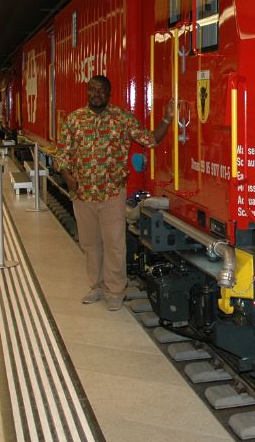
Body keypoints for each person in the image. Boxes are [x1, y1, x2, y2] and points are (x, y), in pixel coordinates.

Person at [58, 75, 173, 311]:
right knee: (90, 244)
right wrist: (68, 177)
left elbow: (150, 140)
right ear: (87, 92)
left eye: (101, 91)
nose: (96, 94)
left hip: (111, 194)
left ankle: (115, 291)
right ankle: (97, 286)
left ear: (109, 94)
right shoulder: (74, 119)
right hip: (83, 195)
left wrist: (168, 118)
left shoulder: (121, 118)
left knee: (114, 244)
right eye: (92, 90)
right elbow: (62, 154)